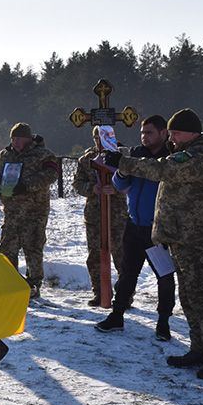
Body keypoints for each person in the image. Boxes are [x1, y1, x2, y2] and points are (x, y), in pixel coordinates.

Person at [106, 108, 203, 379]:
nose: (171, 138)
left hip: (198, 237)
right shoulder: (186, 150)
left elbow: (163, 169)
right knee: (188, 296)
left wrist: (123, 162)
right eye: (170, 133)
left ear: (191, 132)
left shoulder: (202, 155)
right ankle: (199, 348)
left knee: (202, 296)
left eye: (175, 133)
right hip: (180, 235)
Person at [95, 115, 176, 339]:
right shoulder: (137, 154)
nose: (144, 137)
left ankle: (163, 322)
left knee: (165, 276)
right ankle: (117, 316)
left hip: (158, 230)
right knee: (127, 274)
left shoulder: (170, 158)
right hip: (134, 225)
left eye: (149, 132)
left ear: (163, 133)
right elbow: (121, 185)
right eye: (142, 133)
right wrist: (120, 172)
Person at [0, 123, 59, 298]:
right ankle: (9, 282)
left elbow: (51, 175)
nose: (15, 141)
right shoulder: (4, 155)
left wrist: (26, 186)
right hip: (12, 211)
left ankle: (34, 284)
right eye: (13, 138)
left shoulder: (43, 154)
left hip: (35, 210)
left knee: (32, 247)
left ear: (28, 138)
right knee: (7, 248)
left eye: (19, 138)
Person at [72, 126, 128, 306]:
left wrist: (117, 189)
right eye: (96, 137)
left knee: (121, 255)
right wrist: (92, 189)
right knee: (95, 255)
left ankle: (125, 295)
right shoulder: (86, 159)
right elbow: (77, 183)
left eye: (103, 136)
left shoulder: (122, 157)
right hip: (95, 215)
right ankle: (99, 292)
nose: (99, 140)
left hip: (117, 214)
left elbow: (132, 181)